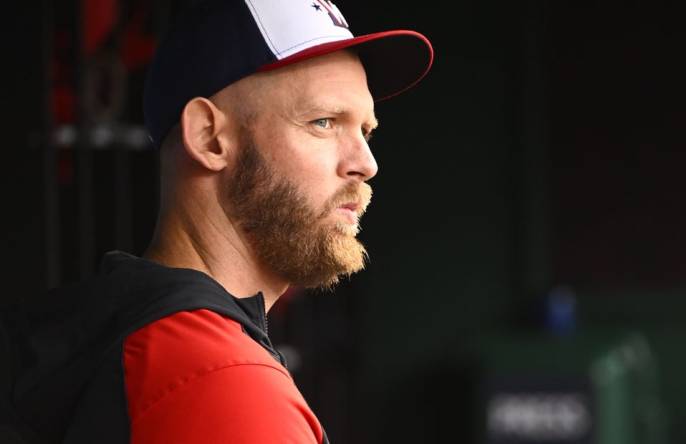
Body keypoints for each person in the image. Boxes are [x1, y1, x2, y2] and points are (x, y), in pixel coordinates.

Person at [5, 1, 432, 443]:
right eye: (323, 122)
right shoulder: (224, 380)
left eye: (366, 131)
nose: (366, 163)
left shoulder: (123, 331)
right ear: (209, 137)